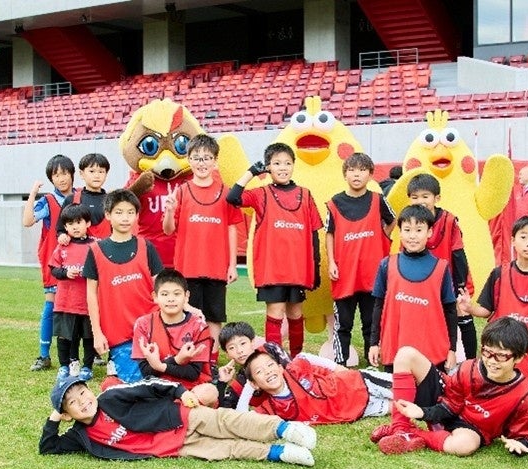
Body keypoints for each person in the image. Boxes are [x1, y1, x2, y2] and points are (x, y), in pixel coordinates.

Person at [40, 375, 317, 466]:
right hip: (173, 447)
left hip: (180, 417)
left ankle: (284, 429)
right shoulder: (80, 436)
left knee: (227, 421)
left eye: (82, 392)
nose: (82, 401)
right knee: (227, 449)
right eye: (72, 403)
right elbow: (48, 447)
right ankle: (280, 453)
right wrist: (55, 417)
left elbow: (150, 385)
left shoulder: (111, 397)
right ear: (68, 415)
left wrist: (180, 392)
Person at [372, 317, 528, 457]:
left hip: (470, 429)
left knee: (465, 445)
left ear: (519, 358)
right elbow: (450, 404)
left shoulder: (523, 395)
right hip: (444, 405)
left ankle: (414, 434)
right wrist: (425, 413)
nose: (491, 361)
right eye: (487, 352)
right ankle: (400, 430)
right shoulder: (469, 368)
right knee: (406, 354)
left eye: (501, 356)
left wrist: (522, 445)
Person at [458, 216, 528, 415]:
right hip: (503, 357)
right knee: (488, 400)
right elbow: (486, 310)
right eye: (523, 237)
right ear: (513, 241)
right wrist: (469, 308)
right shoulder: (500, 274)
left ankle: (516, 395)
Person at [226, 142, 322, 356]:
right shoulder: (261, 194)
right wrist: (251, 172)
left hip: (298, 269)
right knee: (276, 312)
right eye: (277, 163)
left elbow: (314, 234)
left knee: (296, 314)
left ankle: (296, 358)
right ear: (268, 167)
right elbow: (232, 198)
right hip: (272, 269)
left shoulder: (305, 194)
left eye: (287, 163)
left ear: (293, 165)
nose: (283, 167)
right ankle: (275, 358)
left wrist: (315, 268)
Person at [163, 134, 241, 369]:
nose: (202, 162)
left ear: (215, 161)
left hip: (216, 266)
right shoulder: (181, 191)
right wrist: (169, 211)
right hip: (188, 266)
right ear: (189, 160)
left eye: (207, 158)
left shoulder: (226, 193)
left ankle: (212, 361)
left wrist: (232, 264)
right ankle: (191, 356)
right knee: (188, 314)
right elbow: (168, 230)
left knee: (214, 315)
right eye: (197, 157)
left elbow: (232, 228)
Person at [83, 189, 164, 383]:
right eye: (119, 212)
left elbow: (162, 287)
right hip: (119, 336)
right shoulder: (95, 251)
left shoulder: (146, 246)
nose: (125, 218)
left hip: (152, 330)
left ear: (137, 215)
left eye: (130, 212)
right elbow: (91, 295)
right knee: (135, 385)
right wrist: (97, 333)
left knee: (163, 380)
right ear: (108, 215)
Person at [368, 205, 458, 373]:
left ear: (429, 232)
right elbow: (378, 307)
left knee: (431, 391)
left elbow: (450, 310)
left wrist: (452, 349)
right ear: (400, 232)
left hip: (432, 353)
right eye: (407, 230)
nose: (412, 236)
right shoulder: (387, 265)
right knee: (397, 390)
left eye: (419, 230)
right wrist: (374, 343)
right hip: (395, 350)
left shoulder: (441, 268)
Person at [326, 152, 395, 367]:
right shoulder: (334, 203)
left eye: (362, 170)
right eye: (352, 170)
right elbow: (329, 233)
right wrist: (331, 261)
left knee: (371, 322)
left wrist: (383, 236)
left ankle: (372, 361)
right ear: (345, 174)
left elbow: (393, 220)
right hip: (344, 273)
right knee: (343, 323)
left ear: (371, 175)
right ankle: (340, 362)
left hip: (372, 274)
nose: (357, 174)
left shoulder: (378, 199)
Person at [406, 173, 477, 360]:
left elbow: (458, 253)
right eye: (415, 197)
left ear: (436, 198)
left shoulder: (449, 221)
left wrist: (460, 285)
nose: (420, 201)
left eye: (425, 196)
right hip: (422, 281)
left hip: (449, 279)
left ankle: (470, 361)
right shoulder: (408, 220)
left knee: (461, 315)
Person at [23, 154, 75, 371]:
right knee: (51, 305)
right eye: (56, 175)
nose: (61, 178)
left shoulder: (81, 198)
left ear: (72, 174)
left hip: (80, 260)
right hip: (54, 261)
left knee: (85, 307)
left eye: (64, 173)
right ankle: (44, 355)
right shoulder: (48, 201)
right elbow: (27, 221)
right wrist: (33, 194)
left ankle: (93, 354)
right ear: (51, 179)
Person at [242, 349, 393, 425]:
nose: (268, 371)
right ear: (254, 383)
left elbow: (304, 356)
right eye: (259, 371)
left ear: (281, 368)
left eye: (270, 365)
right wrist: (249, 387)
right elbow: (240, 420)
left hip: (359, 383)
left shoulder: (294, 370)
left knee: (405, 389)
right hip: (358, 411)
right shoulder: (270, 408)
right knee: (401, 406)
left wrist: (338, 368)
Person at [132, 269, 213, 387]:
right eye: (164, 294)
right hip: (156, 386)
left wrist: (160, 366)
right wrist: (177, 360)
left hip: (189, 387)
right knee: (110, 386)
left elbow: (193, 373)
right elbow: (146, 372)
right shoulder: (143, 324)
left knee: (209, 392)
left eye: (177, 294)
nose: (171, 299)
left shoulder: (199, 326)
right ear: (155, 296)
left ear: (186, 296)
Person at [48, 204, 98, 382]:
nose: (75, 227)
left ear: (88, 223)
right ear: (65, 227)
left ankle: (87, 366)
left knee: (89, 336)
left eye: (78, 222)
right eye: (70, 224)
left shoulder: (95, 246)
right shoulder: (62, 247)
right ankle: (66, 365)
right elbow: (53, 268)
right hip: (66, 302)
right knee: (65, 336)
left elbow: (103, 269)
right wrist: (65, 273)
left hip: (88, 303)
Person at [215, 321, 291, 410]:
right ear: (227, 354)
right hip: (272, 414)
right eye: (232, 348)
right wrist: (222, 382)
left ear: (252, 342)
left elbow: (295, 373)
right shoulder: (240, 382)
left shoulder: (271, 350)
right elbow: (225, 412)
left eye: (243, 343)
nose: (239, 351)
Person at [57, 153, 112, 242]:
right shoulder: (71, 199)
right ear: (81, 174)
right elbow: (61, 229)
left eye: (101, 171)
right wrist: (62, 236)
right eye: (92, 171)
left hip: (105, 249)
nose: (97, 176)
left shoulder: (112, 201)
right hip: (78, 249)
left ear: (106, 174)